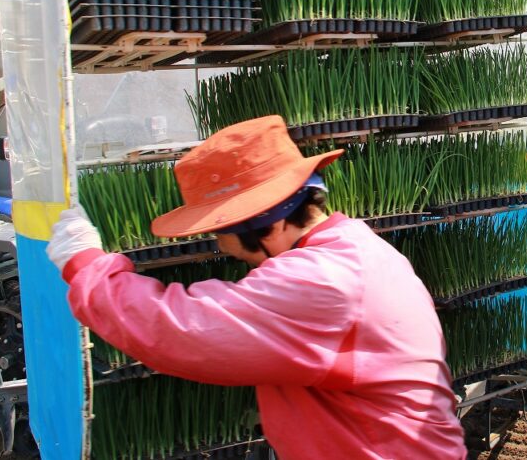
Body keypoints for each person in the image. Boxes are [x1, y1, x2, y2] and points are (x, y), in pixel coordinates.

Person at [47, 115, 467, 460]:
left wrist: (86, 265)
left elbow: (181, 329)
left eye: (219, 231)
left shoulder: (322, 279)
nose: (222, 248)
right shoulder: (359, 249)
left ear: (264, 223)